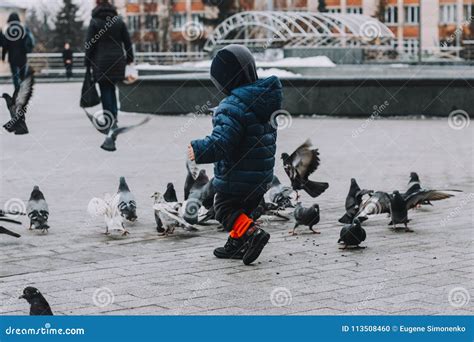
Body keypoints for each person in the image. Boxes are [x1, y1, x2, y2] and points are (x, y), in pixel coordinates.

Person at [188, 45, 283, 265]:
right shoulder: (263, 101)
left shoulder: (231, 106)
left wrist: (199, 149)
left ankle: (252, 233)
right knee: (243, 211)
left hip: (236, 176)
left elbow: (223, 142)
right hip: (260, 177)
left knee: (224, 210)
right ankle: (237, 244)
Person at [84, 0, 133, 132]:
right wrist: (129, 59)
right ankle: (114, 118)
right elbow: (127, 42)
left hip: (101, 62)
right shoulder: (118, 21)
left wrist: (87, 61)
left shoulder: (94, 21)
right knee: (112, 89)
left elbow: (89, 44)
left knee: (105, 90)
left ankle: (110, 120)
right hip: (117, 61)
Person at [1, 13, 34, 90]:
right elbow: (28, 42)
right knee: (22, 76)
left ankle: (17, 91)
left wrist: (3, 56)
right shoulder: (23, 29)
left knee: (15, 76)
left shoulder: (8, 30)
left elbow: (5, 45)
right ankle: (22, 92)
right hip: (22, 57)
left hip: (12, 57)